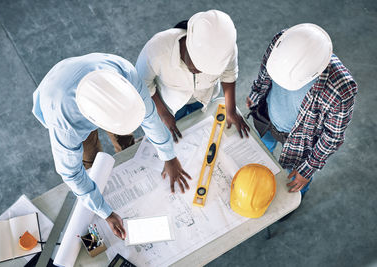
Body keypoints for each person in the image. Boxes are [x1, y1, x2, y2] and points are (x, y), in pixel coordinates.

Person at [32, 53, 191, 239]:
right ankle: (94, 168)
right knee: (89, 154)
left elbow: (150, 118)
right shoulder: (65, 123)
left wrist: (169, 156)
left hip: (92, 76)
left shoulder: (124, 72)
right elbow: (71, 173)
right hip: (58, 93)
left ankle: (124, 146)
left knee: (124, 137)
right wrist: (104, 211)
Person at [246, 23, 357, 196]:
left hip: (301, 142)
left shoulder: (341, 89)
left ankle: (292, 204)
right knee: (260, 156)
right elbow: (265, 73)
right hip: (268, 117)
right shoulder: (283, 42)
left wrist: (308, 169)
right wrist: (256, 93)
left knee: (295, 181)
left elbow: (332, 137)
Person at [136, 10, 249, 142]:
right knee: (169, 133)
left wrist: (231, 110)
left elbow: (229, 75)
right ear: (188, 44)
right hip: (169, 104)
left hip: (203, 100)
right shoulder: (156, 49)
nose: (199, 71)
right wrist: (163, 114)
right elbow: (143, 84)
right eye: (196, 65)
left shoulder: (225, 50)